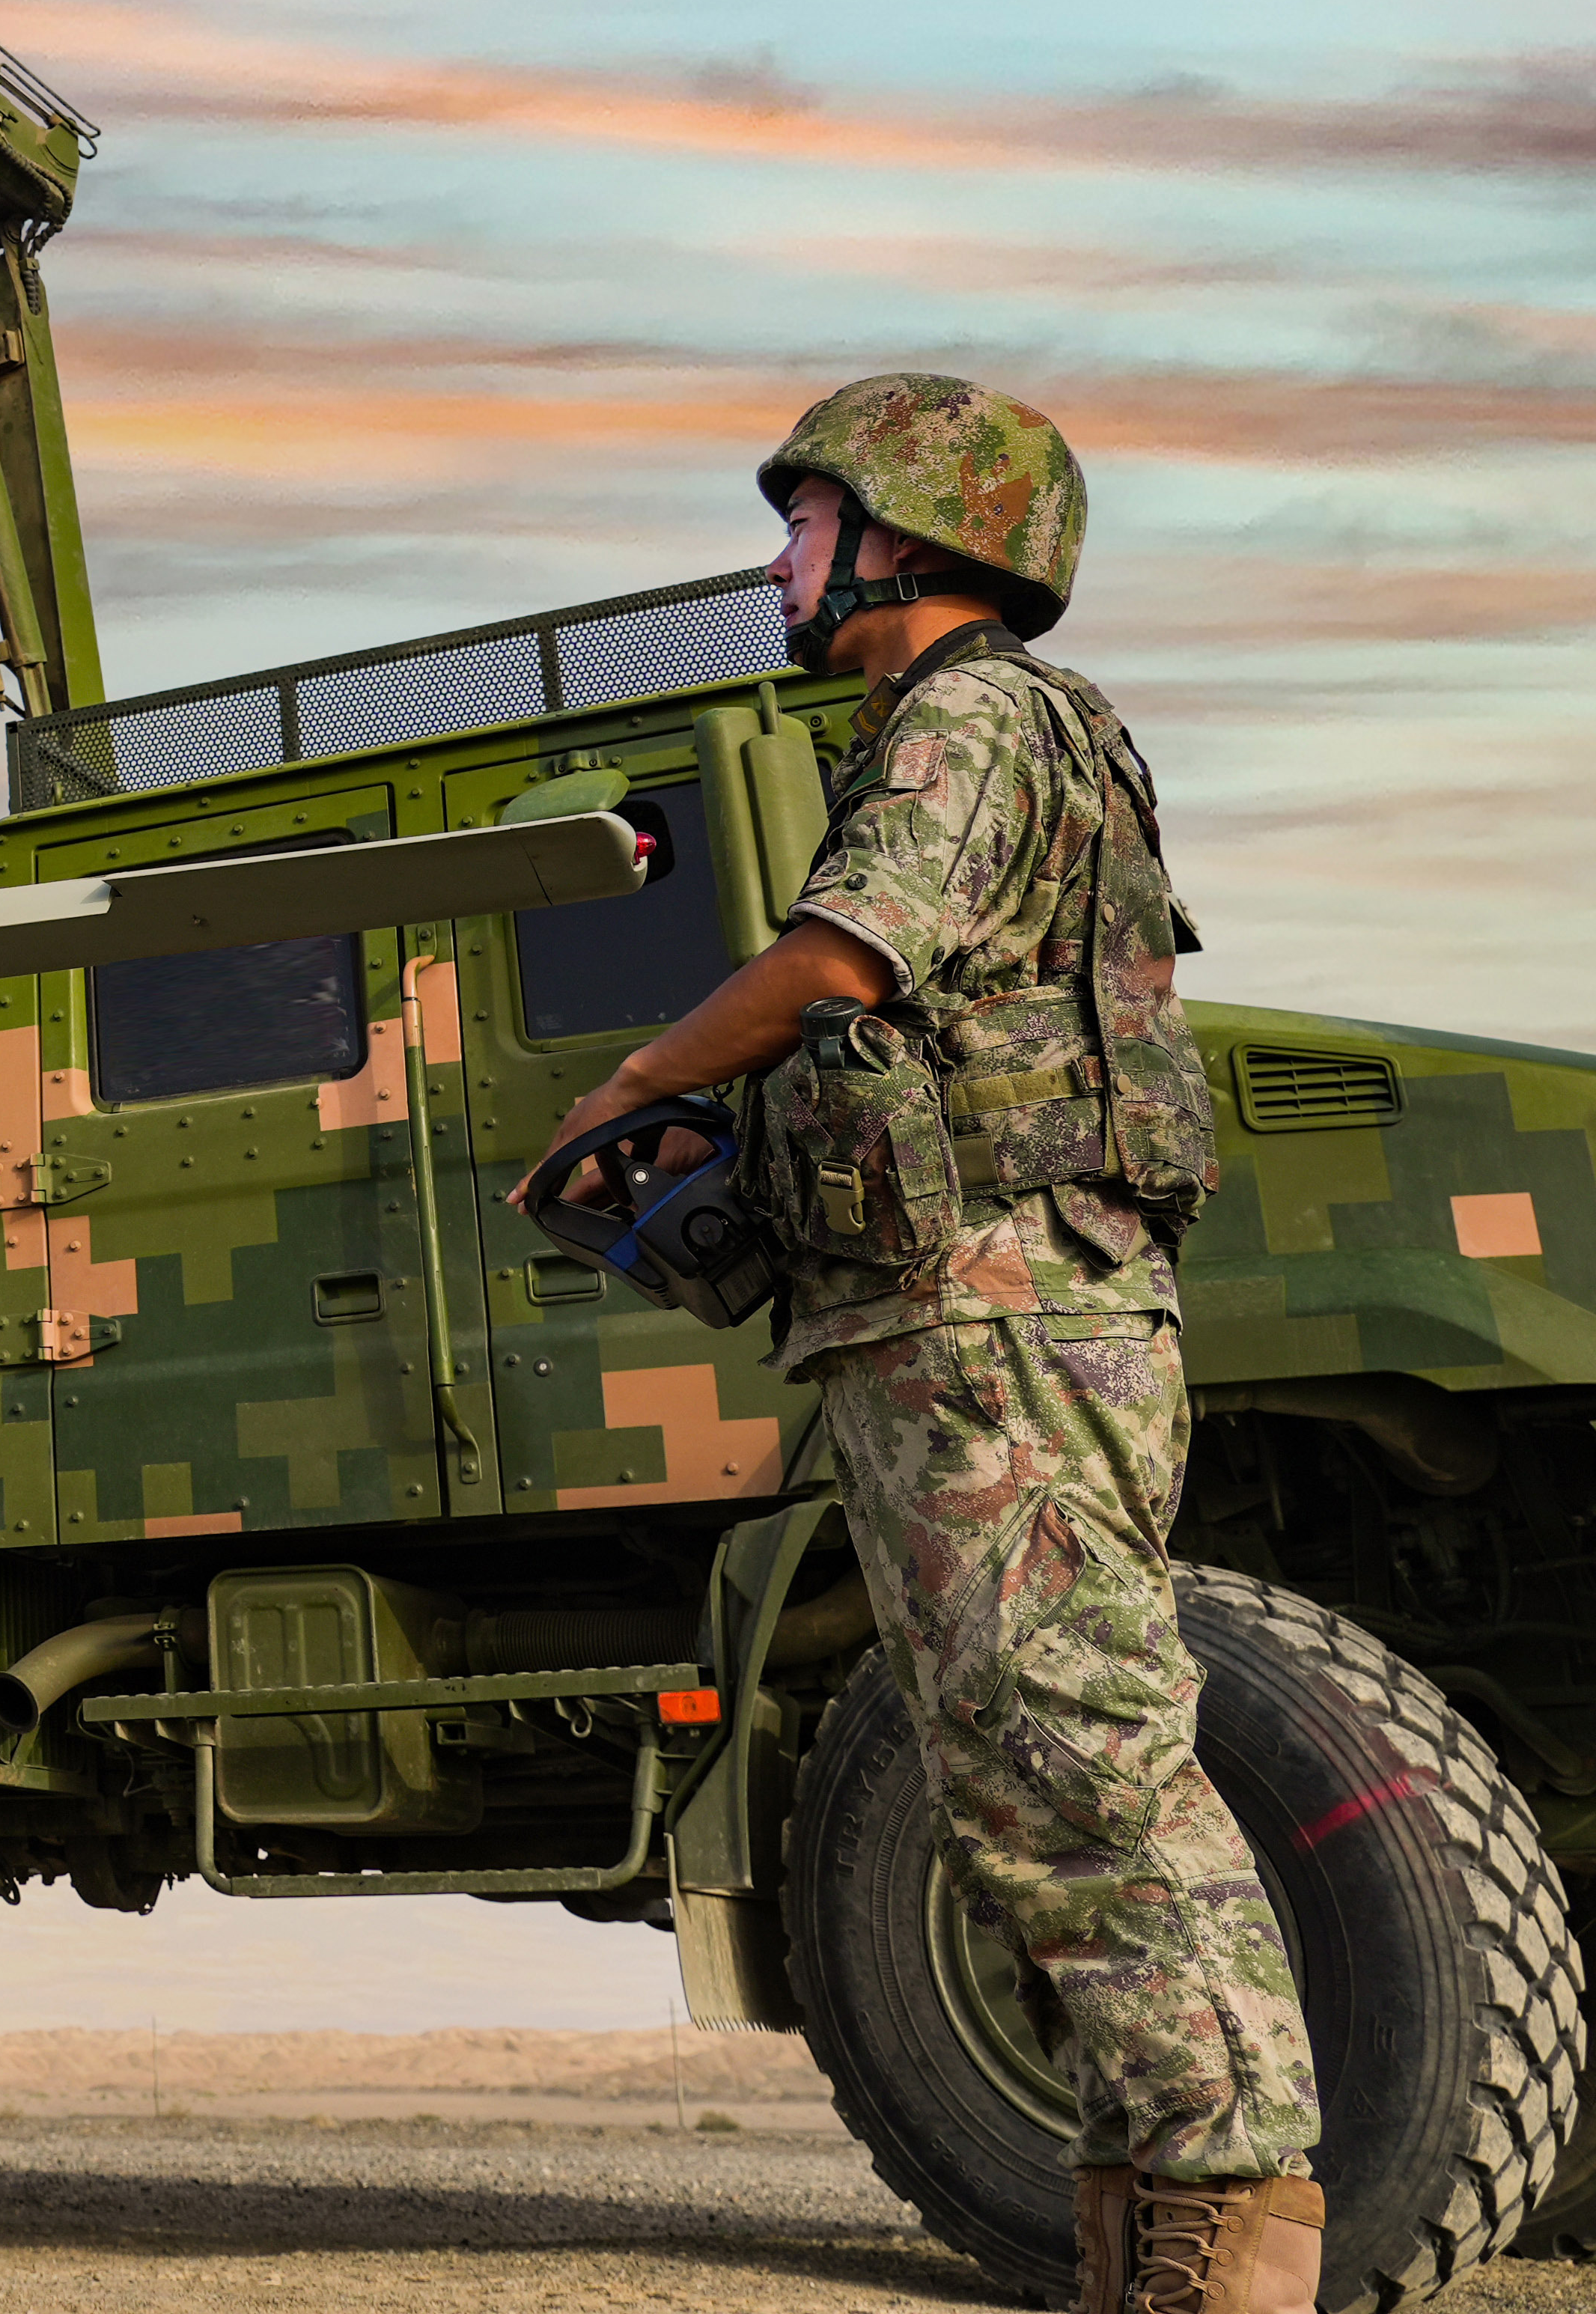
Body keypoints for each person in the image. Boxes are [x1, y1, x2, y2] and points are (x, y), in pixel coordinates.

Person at [530, 376, 1324, 2314]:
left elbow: (845, 962)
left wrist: (625, 1085)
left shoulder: (968, 721)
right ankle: (1163, 2224)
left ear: (912, 539)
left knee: (1078, 1760)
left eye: (807, 526)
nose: (780, 562)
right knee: (1022, 1772)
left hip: (1002, 1308)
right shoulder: (993, 731)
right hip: (961, 1307)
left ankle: (1234, 2217)